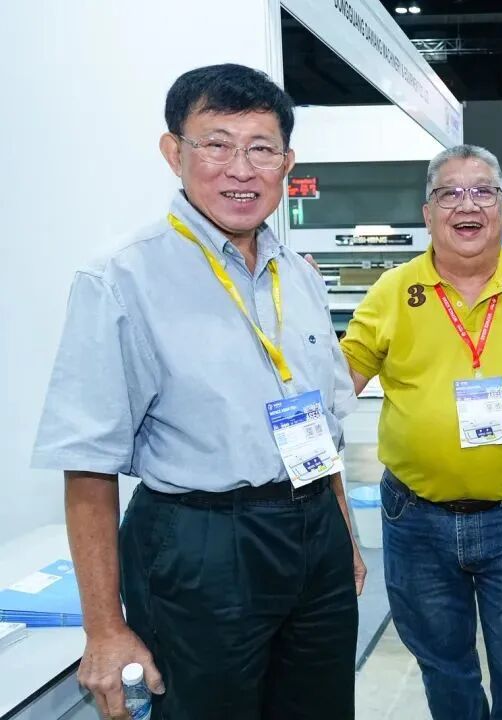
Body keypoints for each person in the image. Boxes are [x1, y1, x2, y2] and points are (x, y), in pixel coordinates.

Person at [31, 64, 363, 719]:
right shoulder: (122, 278)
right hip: (201, 543)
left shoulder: (298, 276)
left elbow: (318, 427)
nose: (241, 169)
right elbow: (88, 462)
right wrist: (104, 628)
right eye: (216, 144)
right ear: (173, 152)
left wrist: (342, 535)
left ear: (287, 163)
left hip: (313, 533)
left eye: (261, 148)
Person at [340, 144, 502, 720]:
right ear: (428, 213)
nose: (466, 205)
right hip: (414, 519)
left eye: (482, 191)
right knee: (445, 668)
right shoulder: (392, 291)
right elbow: (336, 385)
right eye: (449, 193)